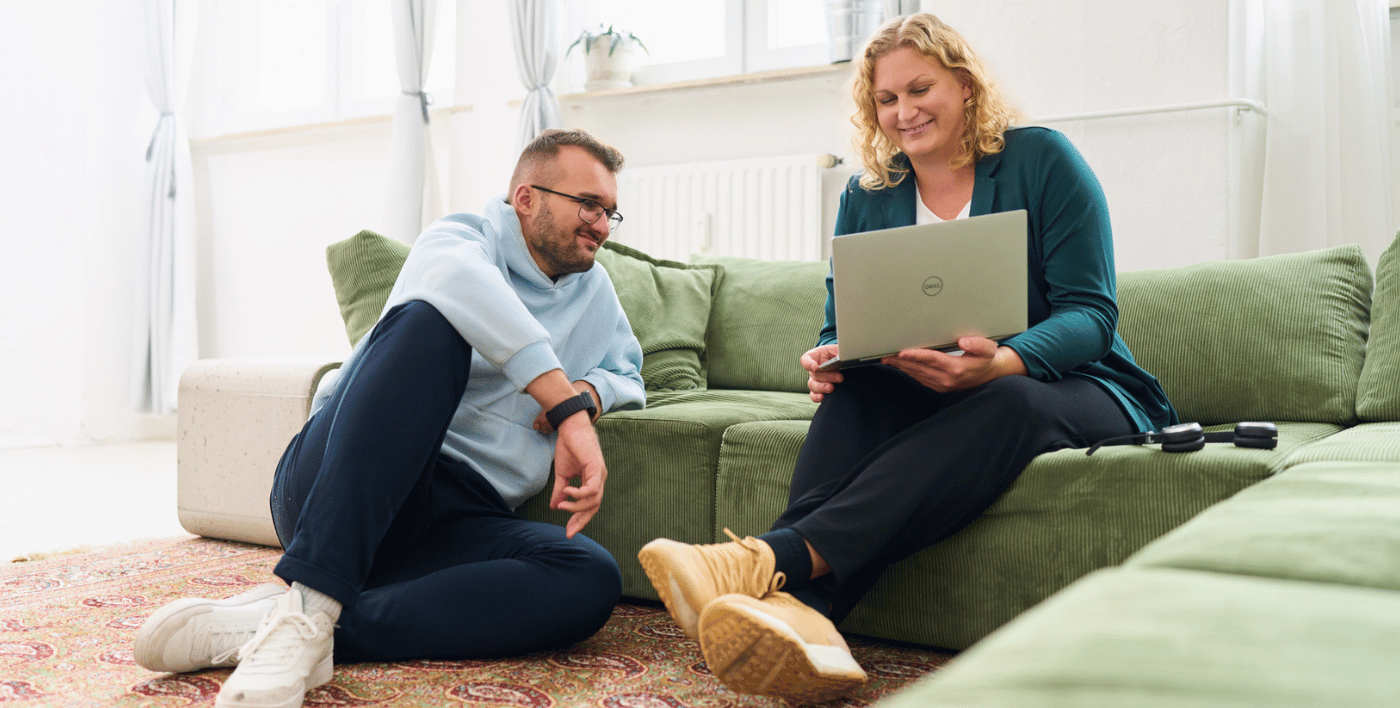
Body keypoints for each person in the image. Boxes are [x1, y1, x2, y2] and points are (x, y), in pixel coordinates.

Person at [637, 13, 1177, 705]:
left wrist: (1002, 362)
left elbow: (1092, 316)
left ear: (965, 83)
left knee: (1006, 398)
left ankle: (762, 560)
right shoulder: (868, 193)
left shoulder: (1044, 160)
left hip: (1078, 387)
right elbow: (845, 321)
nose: (904, 112)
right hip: (929, 382)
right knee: (858, 394)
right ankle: (812, 624)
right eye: (886, 100)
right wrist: (834, 356)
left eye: (920, 89)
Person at [133, 128, 646, 708]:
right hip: (340, 477)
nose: (603, 226)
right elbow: (461, 292)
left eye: (610, 212)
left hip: (453, 518)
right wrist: (564, 404)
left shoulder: (595, 291)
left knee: (589, 576)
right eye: (588, 205)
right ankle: (311, 603)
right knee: (431, 327)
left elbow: (629, 371)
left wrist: (592, 391)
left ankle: (303, 622)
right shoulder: (458, 242)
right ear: (526, 198)